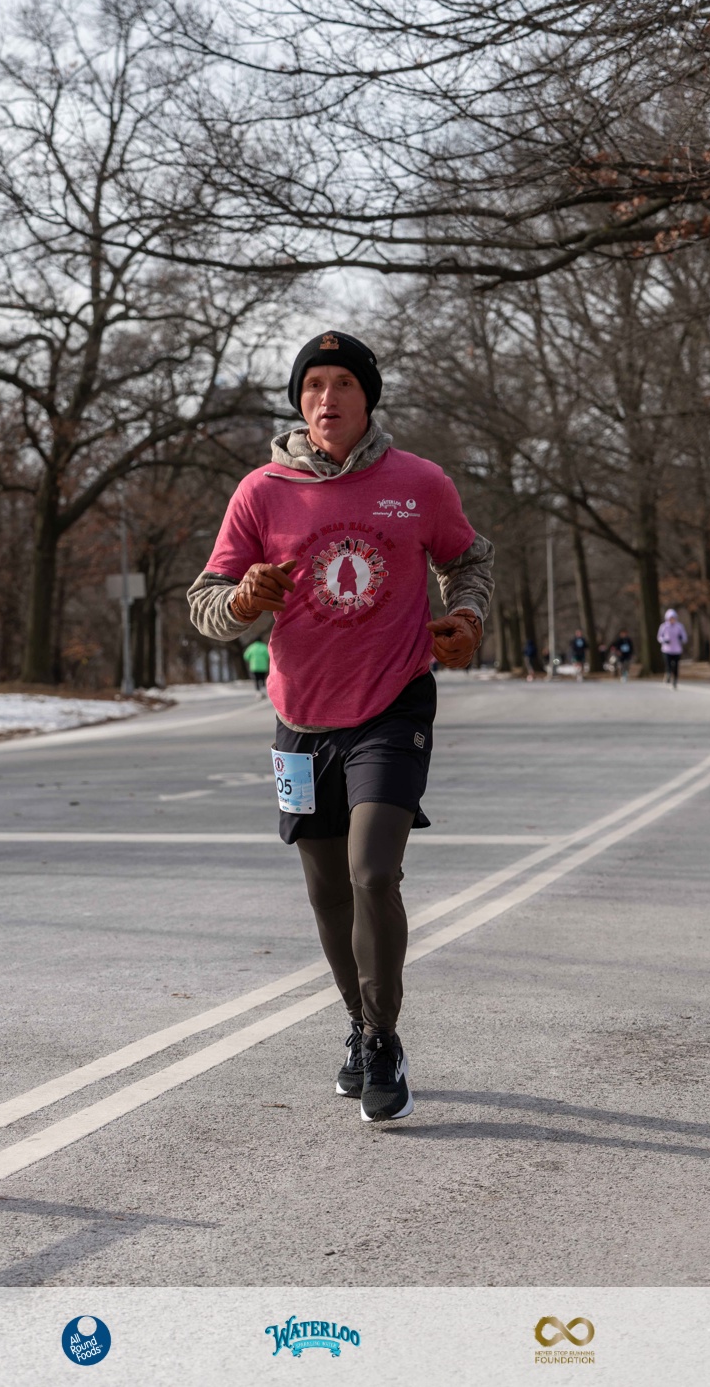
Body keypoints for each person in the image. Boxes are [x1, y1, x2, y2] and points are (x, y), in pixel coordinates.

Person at [187, 330, 494, 1123]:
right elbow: (206, 602)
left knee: (372, 872)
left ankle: (385, 1038)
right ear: (300, 401)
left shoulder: (418, 482)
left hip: (393, 703)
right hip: (300, 717)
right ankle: (357, 1024)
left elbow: (470, 559)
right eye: (314, 384)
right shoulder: (261, 491)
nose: (327, 398)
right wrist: (242, 600)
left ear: (368, 397)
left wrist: (466, 616)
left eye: (344, 384)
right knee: (326, 889)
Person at [657, 608, 687, 688]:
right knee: (668, 665)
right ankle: (668, 674)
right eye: (670, 618)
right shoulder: (664, 626)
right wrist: (664, 640)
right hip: (667, 650)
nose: (672, 620)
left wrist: (681, 638)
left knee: (676, 666)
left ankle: (675, 680)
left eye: (673, 618)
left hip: (677, 650)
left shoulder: (679, 626)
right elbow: (659, 637)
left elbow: (684, 637)